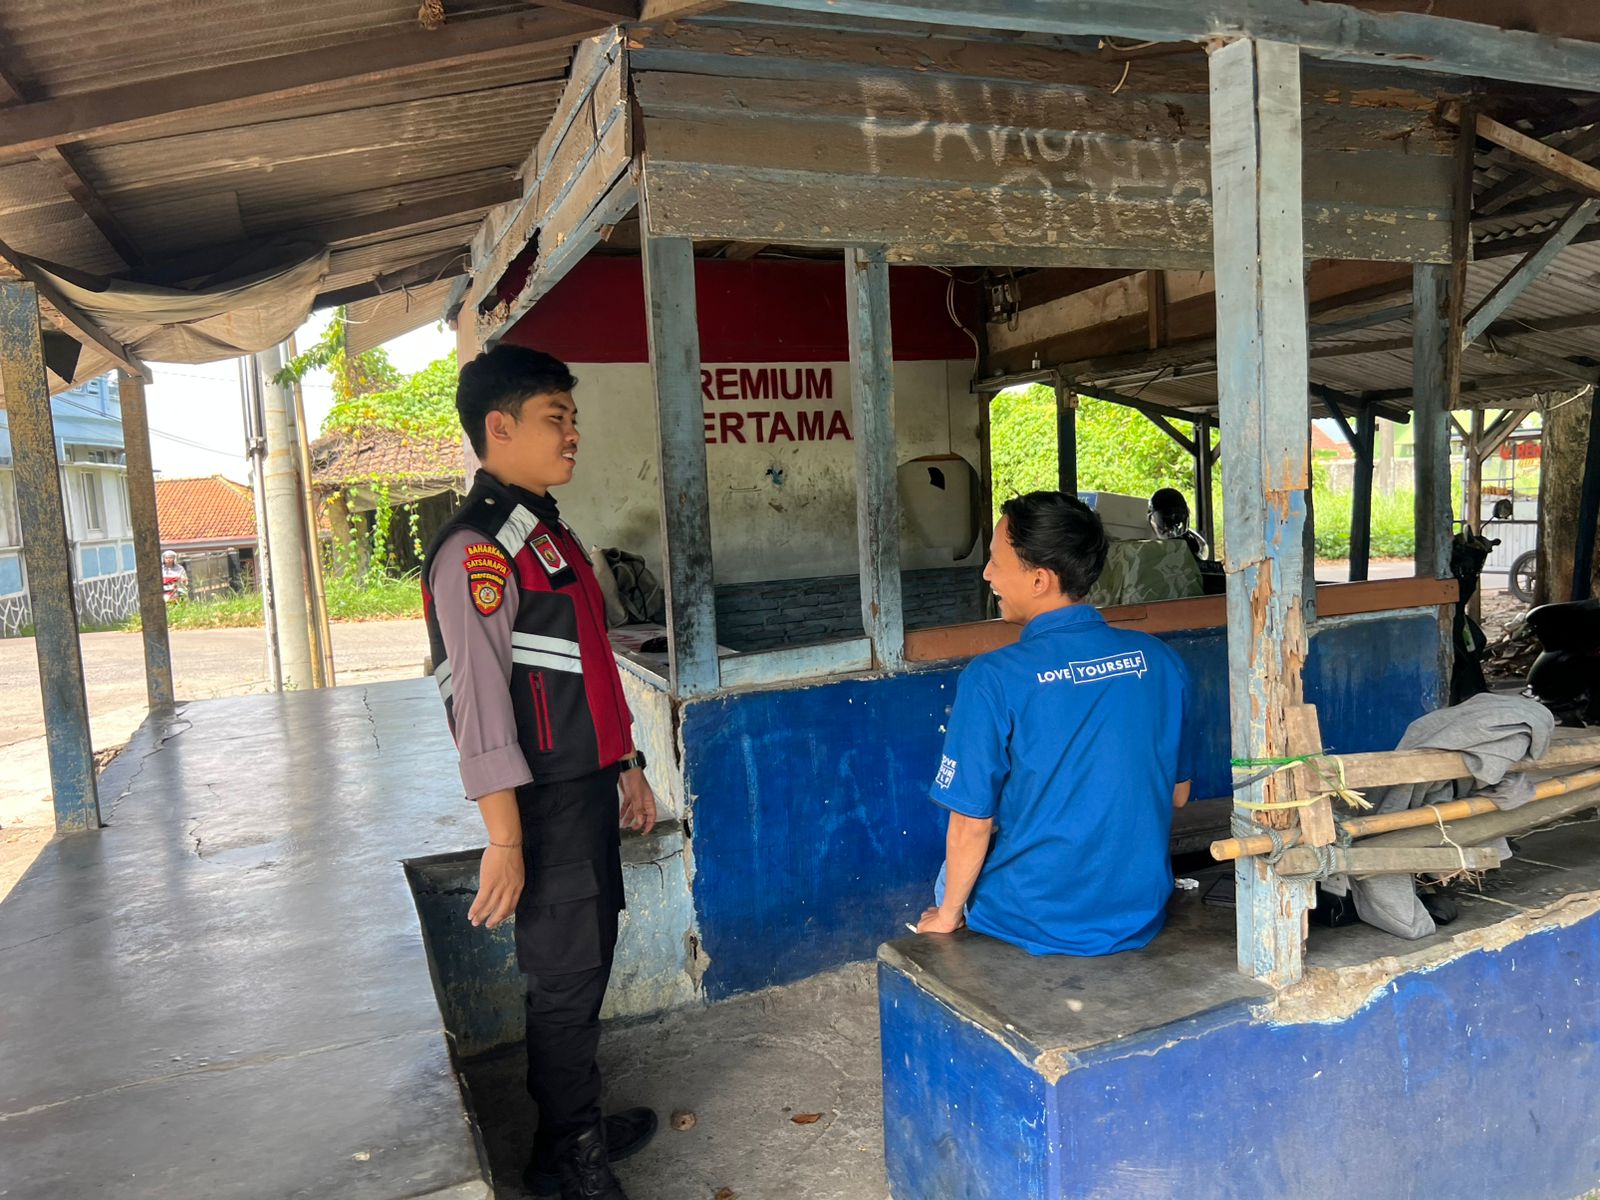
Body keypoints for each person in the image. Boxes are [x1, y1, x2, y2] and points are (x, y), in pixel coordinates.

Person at [421, 345, 658, 1200]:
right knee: (563, 977)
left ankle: (572, 1129)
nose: (573, 434)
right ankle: (567, 1161)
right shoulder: (478, 551)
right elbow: (480, 704)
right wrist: (504, 839)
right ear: (500, 426)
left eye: (572, 418)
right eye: (556, 418)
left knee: (584, 963)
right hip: (542, 803)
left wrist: (626, 763)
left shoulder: (546, 533)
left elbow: (589, 664)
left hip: (584, 788)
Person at [917, 491, 1195, 956]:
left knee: (954, 876)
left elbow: (970, 823)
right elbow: (1177, 795)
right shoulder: (1161, 660)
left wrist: (947, 916)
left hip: (1032, 915)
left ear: (1040, 579)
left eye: (996, 562)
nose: (987, 575)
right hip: (1138, 910)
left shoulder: (992, 677)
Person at [1147, 487, 1208, 560]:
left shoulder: (1190, 541)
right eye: (1167, 516)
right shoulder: (1147, 545)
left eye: (1177, 516)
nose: (1172, 519)